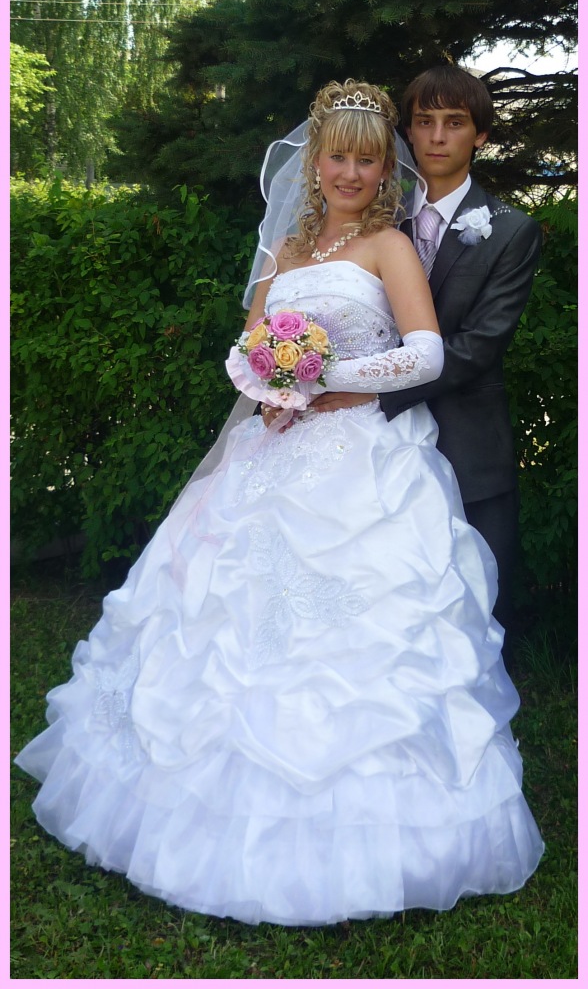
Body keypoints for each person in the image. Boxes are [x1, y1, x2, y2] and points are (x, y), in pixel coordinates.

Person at [15, 78, 543, 928]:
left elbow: (425, 354)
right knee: (222, 618)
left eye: (366, 161)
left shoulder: (390, 245)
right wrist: (269, 382)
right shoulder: (286, 251)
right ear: (314, 163)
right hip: (273, 454)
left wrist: (325, 379)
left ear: (385, 170)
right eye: (337, 158)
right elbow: (247, 347)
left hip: (362, 458)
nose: (350, 173)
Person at [314, 66, 543, 672]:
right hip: (366, 447)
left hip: (464, 438)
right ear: (407, 133)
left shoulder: (511, 231)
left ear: (480, 135)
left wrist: (371, 393)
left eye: (455, 123)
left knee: (471, 603)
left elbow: (479, 344)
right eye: (424, 121)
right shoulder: (372, 216)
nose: (438, 136)